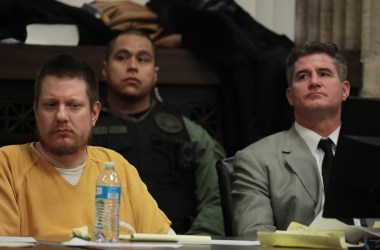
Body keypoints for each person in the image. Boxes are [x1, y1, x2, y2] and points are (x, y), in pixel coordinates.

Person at [0, 54, 172, 237]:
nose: (61, 116)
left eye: (74, 106)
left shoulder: (116, 167)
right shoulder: (7, 164)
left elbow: (166, 240)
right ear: (36, 112)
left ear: (94, 113)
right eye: (51, 105)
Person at [91, 28, 225, 236]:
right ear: (105, 69)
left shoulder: (190, 133)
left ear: (154, 73)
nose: (132, 66)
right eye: (122, 57)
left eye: (143, 59)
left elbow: (217, 198)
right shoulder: (85, 131)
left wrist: (193, 243)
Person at [232, 42, 351, 237]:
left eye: (324, 74)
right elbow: (255, 237)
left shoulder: (371, 154)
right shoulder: (255, 160)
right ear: (290, 96)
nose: (314, 82)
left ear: (345, 90)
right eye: (303, 76)